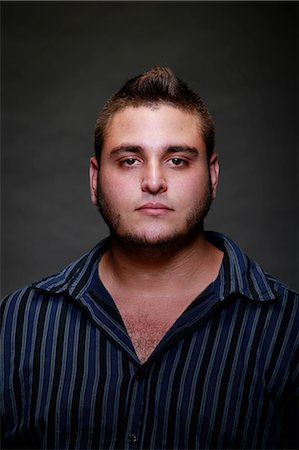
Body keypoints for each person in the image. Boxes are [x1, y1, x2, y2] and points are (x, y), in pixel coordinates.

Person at [1, 66, 298, 450]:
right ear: (95, 181)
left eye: (177, 160)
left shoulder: (289, 331)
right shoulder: (19, 324)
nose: (154, 181)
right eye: (129, 160)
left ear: (212, 176)